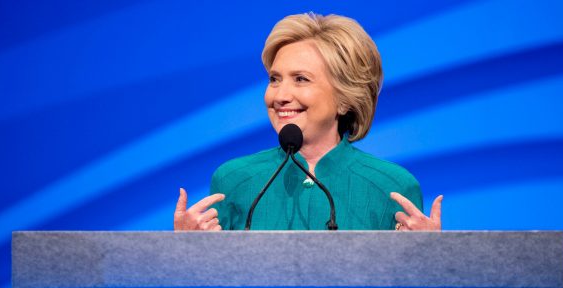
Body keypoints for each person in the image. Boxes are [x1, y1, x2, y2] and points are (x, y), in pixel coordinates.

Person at [174, 13, 442, 231]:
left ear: (345, 98)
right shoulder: (233, 179)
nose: (280, 96)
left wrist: (428, 259)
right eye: (274, 79)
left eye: (300, 79)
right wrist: (189, 250)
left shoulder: (391, 186)